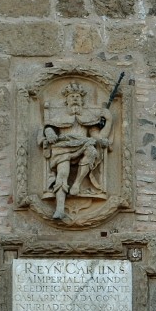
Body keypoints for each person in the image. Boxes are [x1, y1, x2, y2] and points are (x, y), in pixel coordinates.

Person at [39, 82, 112, 220]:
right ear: (66, 100)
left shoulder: (88, 116)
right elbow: (48, 128)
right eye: (72, 96)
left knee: (92, 151)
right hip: (63, 148)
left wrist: (108, 122)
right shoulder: (59, 116)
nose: (75, 98)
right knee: (62, 173)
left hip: (83, 144)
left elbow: (96, 135)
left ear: (82, 100)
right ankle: (60, 208)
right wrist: (49, 132)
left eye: (77, 96)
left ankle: (77, 184)